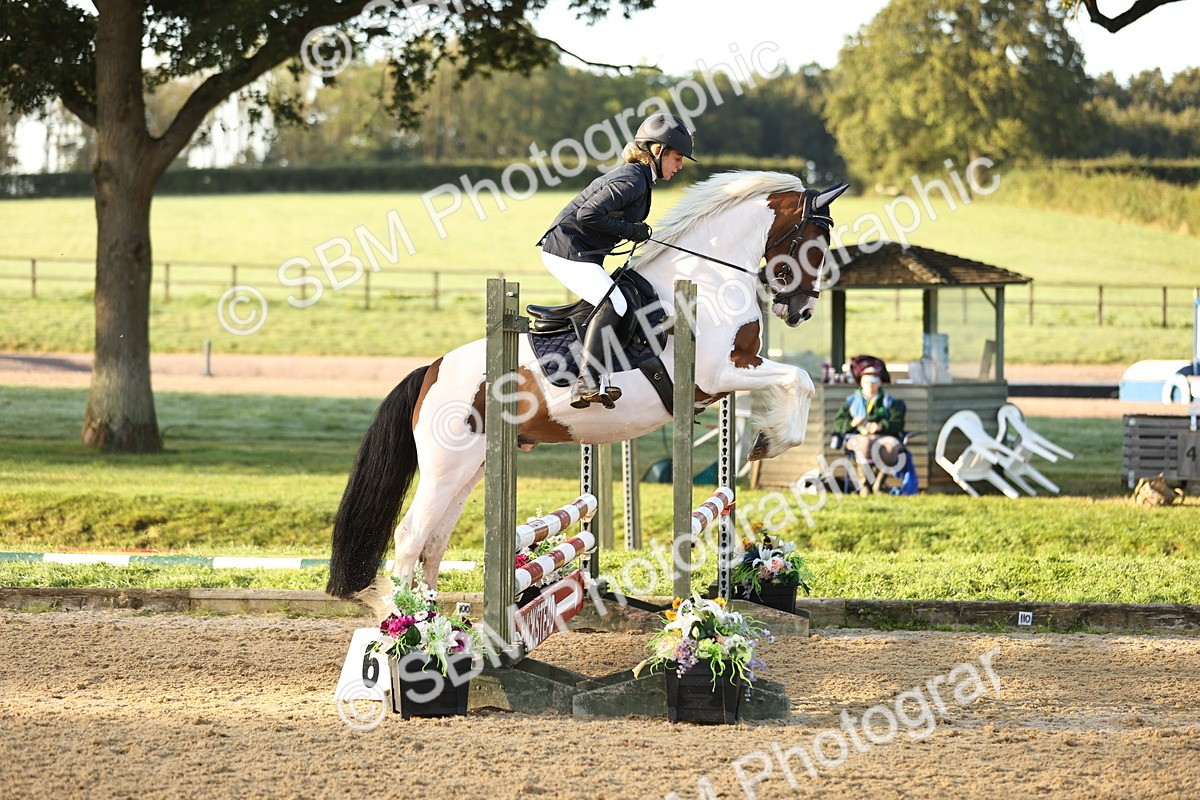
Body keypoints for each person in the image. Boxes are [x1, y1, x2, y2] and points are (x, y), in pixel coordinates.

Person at [537, 113, 696, 408]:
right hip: (566, 251)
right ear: (657, 151)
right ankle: (585, 381)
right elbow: (588, 215)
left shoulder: (640, 179)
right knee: (615, 302)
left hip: (580, 252)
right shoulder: (632, 179)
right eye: (677, 157)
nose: (680, 165)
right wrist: (632, 230)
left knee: (619, 299)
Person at [833, 363, 907, 493]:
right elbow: (838, 422)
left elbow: (898, 422)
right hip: (858, 435)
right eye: (866, 380)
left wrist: (880, 426)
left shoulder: (888, 401)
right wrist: (852, 423)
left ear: (880, 383)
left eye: (874, 380)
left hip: (882, 436)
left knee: (891, 447)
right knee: (865, 444)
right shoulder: (852, 401)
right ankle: (865, 485)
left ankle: (878, 484)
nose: (870, 383)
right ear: (861, 382)